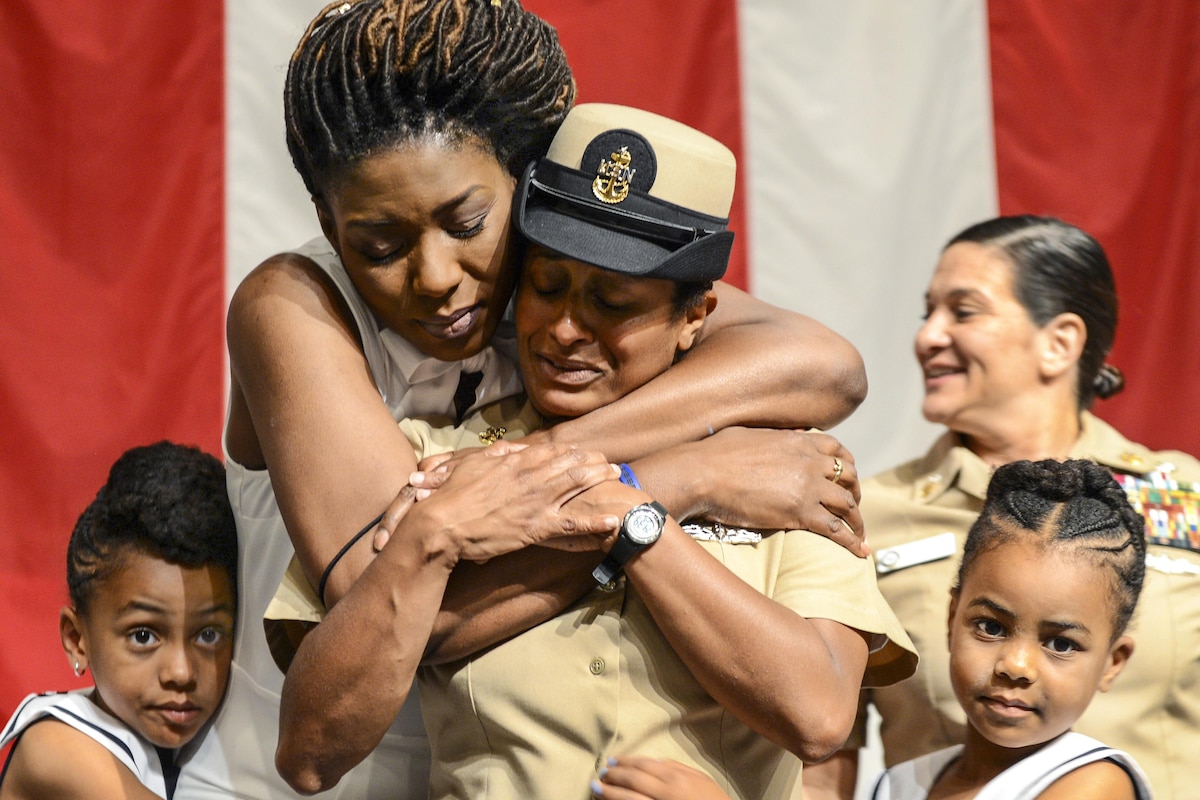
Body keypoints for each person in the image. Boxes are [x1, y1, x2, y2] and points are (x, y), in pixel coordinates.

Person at [193, 0, 870, 797]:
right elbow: (390, 602)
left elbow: (825, 367)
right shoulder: (290, 304)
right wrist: (680, 482)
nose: (436, 276)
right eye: (379, 245)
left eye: (468, 221)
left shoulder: (553, 289)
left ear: (525, 181)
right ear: (327, 221)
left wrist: (545, 463)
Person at [802, 216, 1200, 800]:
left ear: (1060, 342)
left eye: (963, 312)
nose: (928, 337)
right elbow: (823, 758)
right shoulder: (860, 515)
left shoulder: (1187, 493)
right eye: (927, 313)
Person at [868, 459, 1153, 799]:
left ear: (1113, 663)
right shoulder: (898, 784)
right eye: (990, 627)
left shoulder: (1094, 786)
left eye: (1061, 644)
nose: (1016, 666)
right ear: (952, 619)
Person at [0, 442, 237, 800]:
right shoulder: (55, 746)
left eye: (207, 635)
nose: (182, 673)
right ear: (77, 639)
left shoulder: (189, 746)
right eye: (143, 636)